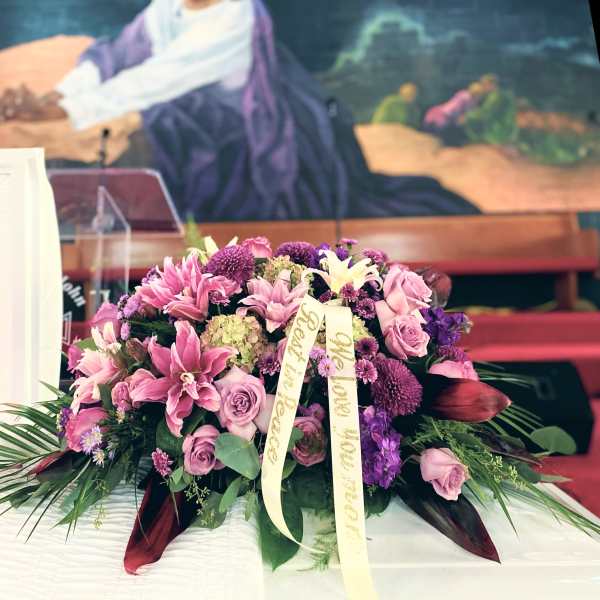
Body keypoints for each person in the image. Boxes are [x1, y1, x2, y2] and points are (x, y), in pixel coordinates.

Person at [0, 0, 480, 220]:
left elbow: (157, 78)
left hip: (255, 147)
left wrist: (65, 112)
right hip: (202, 139)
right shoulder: (167, 9)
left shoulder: (237, 13)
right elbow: (114, 57)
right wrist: (54, 98)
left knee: (164, 123)